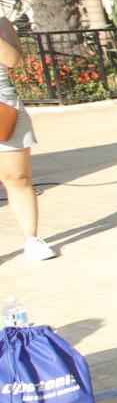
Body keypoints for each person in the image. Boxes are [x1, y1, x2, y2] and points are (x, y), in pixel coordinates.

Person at [0, 15, 57, 260]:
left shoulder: (1, 21)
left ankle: (31, 239)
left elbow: (12, 59)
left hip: (3, 106)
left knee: (18, 177)